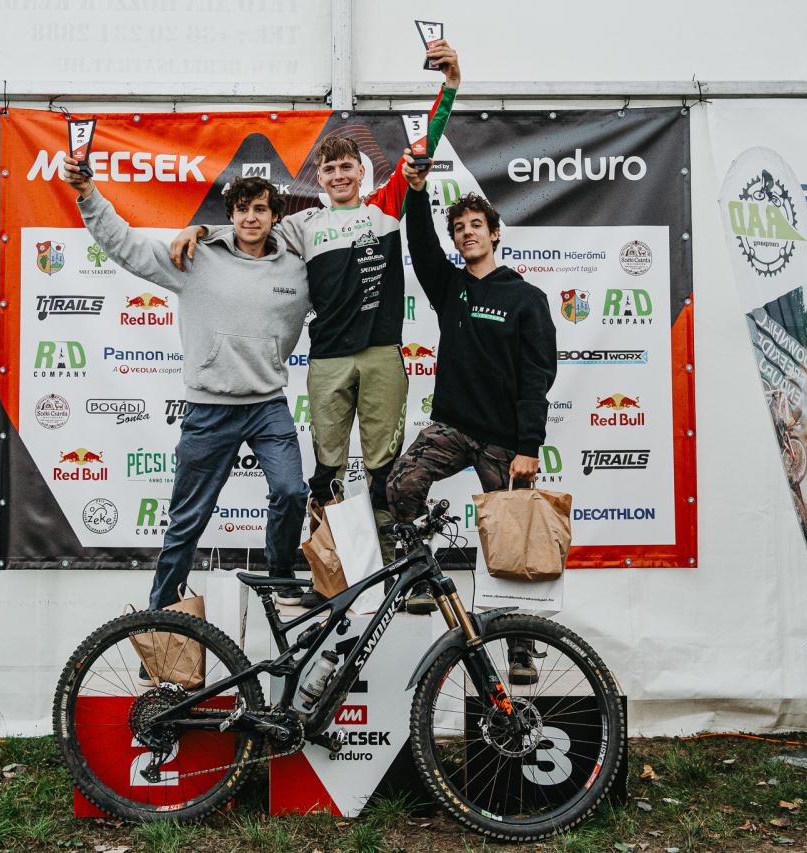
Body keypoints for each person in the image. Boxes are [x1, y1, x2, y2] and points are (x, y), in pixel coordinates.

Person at [172, 40, 462, 611]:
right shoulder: (303, 226)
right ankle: (329, 578)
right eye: (329, 169)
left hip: (382, 354)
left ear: (362, 171)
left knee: (382, 470)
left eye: (347, 166)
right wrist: (200, 231)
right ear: (321, 178)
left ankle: (390, 578)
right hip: (327, 359)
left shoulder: (385, 207)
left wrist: (448, 87)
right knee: (326, 472)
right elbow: (248, 230)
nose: (338, 174)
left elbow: (423, 146)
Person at [62, 163, 312, 623]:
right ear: (230, 215)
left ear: (275, 216)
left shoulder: (298, 269)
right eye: (241, 209)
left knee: (291, 491)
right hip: (209, 409)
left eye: (260, 209)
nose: (250, 217)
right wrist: (88, 194)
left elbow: (341, 259)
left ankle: (281, 575)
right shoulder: (196, 259)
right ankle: (159, 618)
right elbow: (127, 247)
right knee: (187, 521)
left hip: (267, 406)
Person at [387, 154, 557, 680]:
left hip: (505, 440)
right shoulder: (451, 288)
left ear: (494, 233)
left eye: (475, 225)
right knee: (401, 484)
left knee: (512, 542)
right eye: (459, 228)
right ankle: (421, 579)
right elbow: (421, 246)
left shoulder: (527, 298)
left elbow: (537, 376)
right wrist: (417, 193)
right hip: (453, 428)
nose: (467, 234)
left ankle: (521, 648)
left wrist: (528, 447)